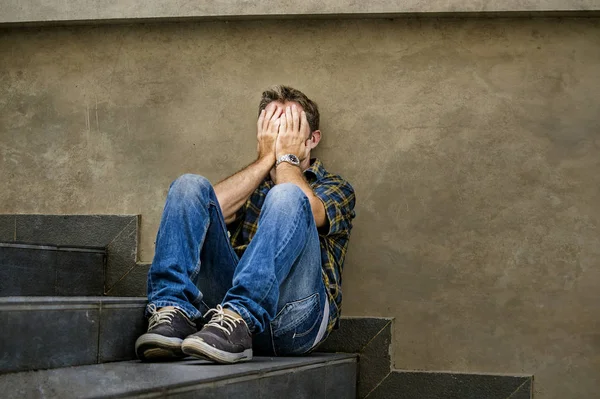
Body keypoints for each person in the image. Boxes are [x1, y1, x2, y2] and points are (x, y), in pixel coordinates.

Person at [135, 85, 356, 364]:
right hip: (220, 323)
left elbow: (308, 211)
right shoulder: (252, 185)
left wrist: (286, 159)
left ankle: (243, 315)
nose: (281, 138)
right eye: (273, 129)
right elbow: (203, 212)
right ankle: (172, 312)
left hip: (295, 323)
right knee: (188, 187)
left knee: (287, 195)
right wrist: (265, 159)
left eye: (290, 129)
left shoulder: (335, 187)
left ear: (312, 139)